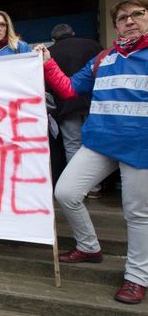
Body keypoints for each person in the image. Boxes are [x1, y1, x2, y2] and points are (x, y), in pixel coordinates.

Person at [35, 0, 148, 305]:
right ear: (115, 27)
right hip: (100, 142)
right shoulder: (104, 59)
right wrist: (47, 64)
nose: (130, 21)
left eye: (137, 14)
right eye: (122, 18)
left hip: (141, 147)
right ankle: (88, 246)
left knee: (137, 214)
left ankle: (137, 277)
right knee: (66, 193)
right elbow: (70, 88)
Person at [49, 24, 104, 197]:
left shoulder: (50, 52)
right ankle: (97, 186)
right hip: (94, 102)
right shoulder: (93, 46)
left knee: (72, 144)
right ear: (73, 33)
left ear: (53, 39)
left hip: (66, 105)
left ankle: (84, 188)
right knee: (94, 144)